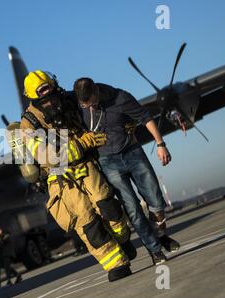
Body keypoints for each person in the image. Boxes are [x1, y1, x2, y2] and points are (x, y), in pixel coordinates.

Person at [19, 70, 134, 281]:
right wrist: (83, 143)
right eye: (44, 99)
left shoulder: (70, 100)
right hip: (61, 179)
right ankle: (116, 264)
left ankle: (124, 240)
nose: (51, 102)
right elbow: (49, 157)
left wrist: (121, 121)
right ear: (34, 99)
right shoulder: (28, 125)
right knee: (88, 223)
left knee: (108, 206)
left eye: (52, 93)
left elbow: (97, 106)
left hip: (86, 165)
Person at [73, 77, 180, 265]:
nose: (88, 108)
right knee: (133, 210)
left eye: (91, 103)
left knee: (156, 203)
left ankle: (160, 235)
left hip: (132, 153)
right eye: (84, 104)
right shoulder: (77, 104)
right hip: (107, 162)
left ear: (96, 92)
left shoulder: (120, 98)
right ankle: (155, 250)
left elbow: (146, 118)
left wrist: (161, 144)